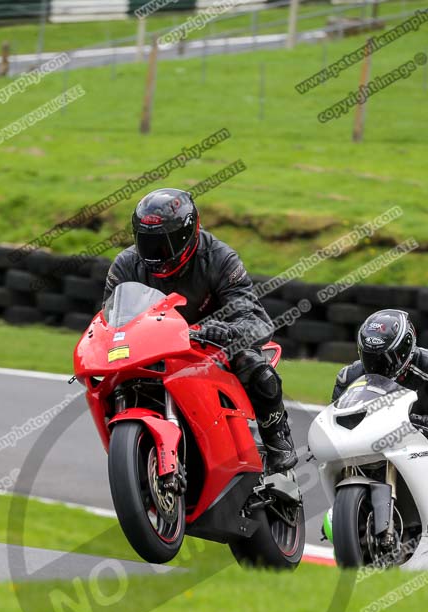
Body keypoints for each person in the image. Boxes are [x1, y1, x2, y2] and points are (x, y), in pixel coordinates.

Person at [102, 187, 297, 472]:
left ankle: (276, 436)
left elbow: (256, 320)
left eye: (165, 245)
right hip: (152, 351)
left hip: (210, 350)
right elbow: (108, 319)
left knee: (253, 364)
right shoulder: (125, 265)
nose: (156, 254)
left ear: (188, 234)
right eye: (148, 244)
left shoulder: (220, 259)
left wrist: (227, 331)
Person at [332, 308, 428, 460]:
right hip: (371, 439)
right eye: (370, 357)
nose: (377, 365)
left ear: (407, 349)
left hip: (426, 435)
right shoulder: (348, 377)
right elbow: (335, 419)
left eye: (386, 358)